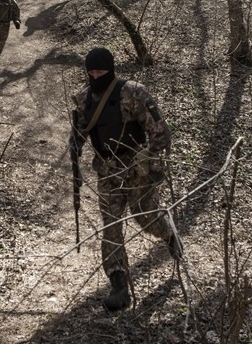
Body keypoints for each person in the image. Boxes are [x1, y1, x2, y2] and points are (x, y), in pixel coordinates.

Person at [69, 47, 183, 312]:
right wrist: (75, 146)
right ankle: (119, 285)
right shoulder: (85, 99)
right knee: (112, 226)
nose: (96, 76)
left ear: (112, 69)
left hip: (137, 169)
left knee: (145, 216)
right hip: (107, 171)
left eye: (101, 71)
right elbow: (79, 133)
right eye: (91, 72)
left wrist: (148, 160)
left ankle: (169, 236)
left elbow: (161, 133)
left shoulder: (132, 92)